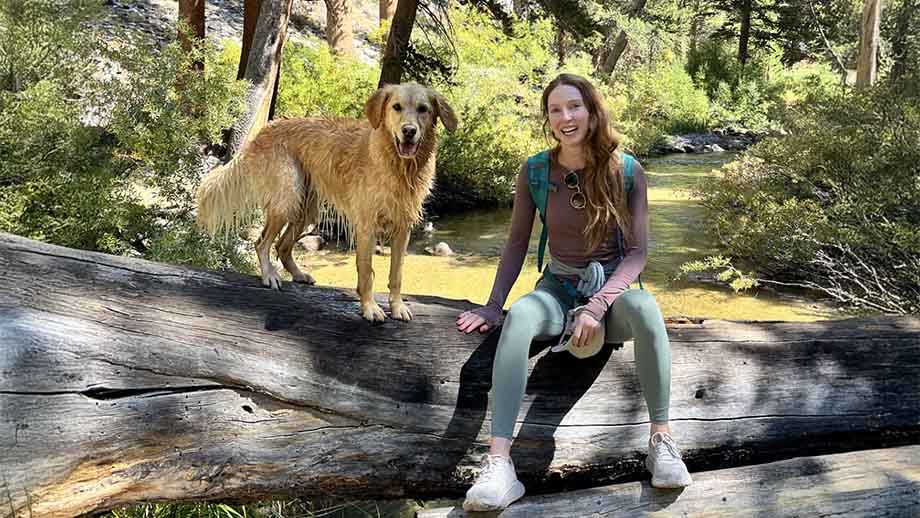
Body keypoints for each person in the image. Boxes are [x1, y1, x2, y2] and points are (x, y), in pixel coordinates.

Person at [455, 73, 693, 512]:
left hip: (611, 293)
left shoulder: (627, 170)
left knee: (646, 305)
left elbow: (638, 254)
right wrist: (492, 305)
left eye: (574, 107)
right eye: (555, 110)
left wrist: (598, 305)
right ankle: (499, 465)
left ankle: (661, 441)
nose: (566, 117)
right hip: (557, 290)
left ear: (592, 110)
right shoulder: (535, 171)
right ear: (547, 119)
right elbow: (514, 244)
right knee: (522, 315)